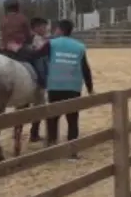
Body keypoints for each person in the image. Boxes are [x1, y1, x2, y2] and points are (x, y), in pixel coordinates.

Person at [28, 19, 94, 157]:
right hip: (73, 87)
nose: (54, 31)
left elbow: (35, 55)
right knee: (72, 120)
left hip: (55, 86)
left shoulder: (51, 43)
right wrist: (90, 88)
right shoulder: (79, 47)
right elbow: (85, 69)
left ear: (60, 30)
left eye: (56, 29)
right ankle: (72, 153)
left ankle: (52, 148)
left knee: (52, 118)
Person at [28, 17, 50, 142]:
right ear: (36, 27)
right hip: (37, 75)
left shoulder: (32, 38)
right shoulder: (36, 39)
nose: (45, 29)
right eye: (43, 26)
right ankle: (34, 133)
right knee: (39, 104)